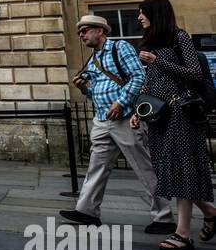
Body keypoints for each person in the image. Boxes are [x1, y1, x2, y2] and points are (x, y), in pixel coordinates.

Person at [60, 13, 174, 233]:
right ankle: (86, 211)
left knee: (144, 167)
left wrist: (121, 103)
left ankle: (164, 217)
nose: (81, 35)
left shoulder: (119, 48)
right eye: (80, 32)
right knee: (96, 167)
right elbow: (95, 93)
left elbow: (138, 76)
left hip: (124, 119)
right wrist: (85, 88)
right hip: (102, 120)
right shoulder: (92, 60)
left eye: (85, 30)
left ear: (100, 31)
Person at [130, 0, 216, 250]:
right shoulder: (151, 43)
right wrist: (139, 110)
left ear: (156, 14)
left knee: (182, 168)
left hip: (181, 114)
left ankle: (183, 233)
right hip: (160, 116)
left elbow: (194, 73)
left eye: (142, 13)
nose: (139, 17)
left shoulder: (180, 37)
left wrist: (158, 61)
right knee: (172, 170)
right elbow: (152, 83)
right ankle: (211, 212)